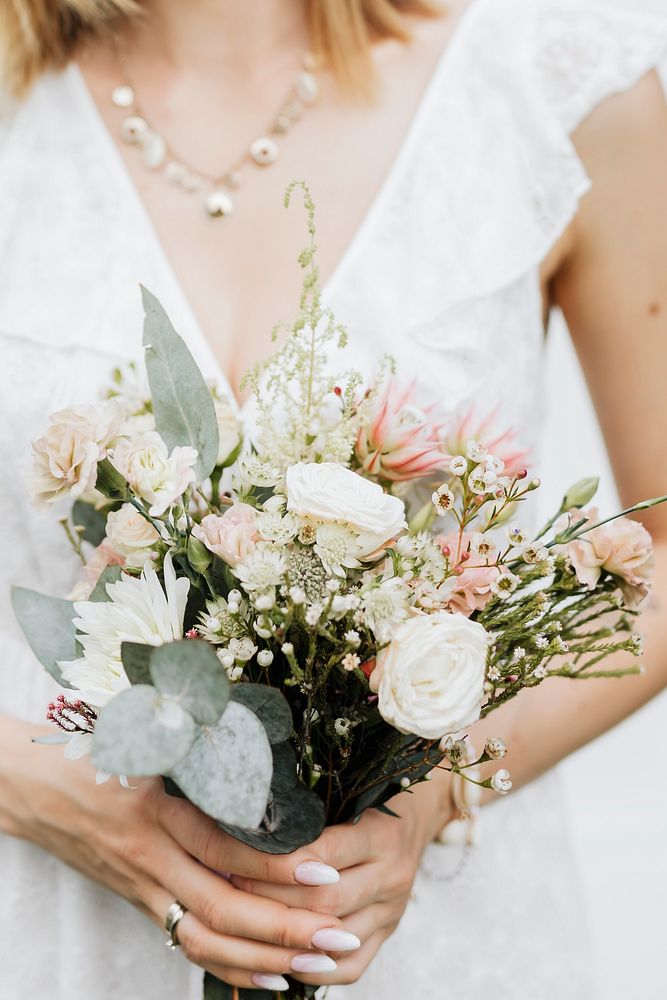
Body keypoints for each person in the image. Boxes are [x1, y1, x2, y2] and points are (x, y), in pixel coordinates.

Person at [0, 0, 666, 997]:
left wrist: (441, 786)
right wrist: (35, 785)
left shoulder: (553, 83)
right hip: (48, 934)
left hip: (437, 943)